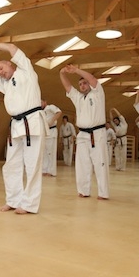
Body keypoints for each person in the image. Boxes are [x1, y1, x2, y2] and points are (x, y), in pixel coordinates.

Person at [0, 43, 46, 214]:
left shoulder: (26, 71)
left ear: (10, 63)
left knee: (32, 165)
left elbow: (11, 47)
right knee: (11, 165)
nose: (0, 72)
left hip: (32, 122)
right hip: (16, 125)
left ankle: (29, 204)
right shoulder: (6, 84)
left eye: (1, 68)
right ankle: (13, 200)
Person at [60, 64, 110, 200]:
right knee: (82, 164)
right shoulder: (78, 97)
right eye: (80, 84)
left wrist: (76, 70)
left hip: (97, 133)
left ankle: (103, 192)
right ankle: (83, 190)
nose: (82, 86)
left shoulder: (98, 93)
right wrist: (62, 73)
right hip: (82, 134)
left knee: (100, 163)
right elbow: (67, 87)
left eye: (84, 83)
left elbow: (92, 78)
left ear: (89, 84)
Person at [41, 99, 62, 177]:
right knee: (44, 152)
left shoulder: (50, 107)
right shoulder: (41, 111)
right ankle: (44, 170)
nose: (40, 104)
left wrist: (52, 121)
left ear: (45, 102)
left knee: (51, 152)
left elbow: (59, 112)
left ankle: (51, 171)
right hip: (44, 132)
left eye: (41, 102)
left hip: (51, 131)